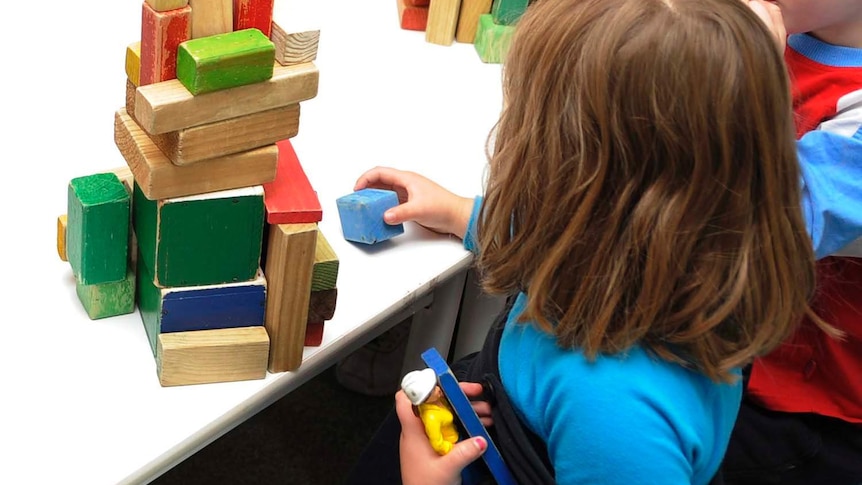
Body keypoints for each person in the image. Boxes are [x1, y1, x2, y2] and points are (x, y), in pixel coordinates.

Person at [345, 0, 827, 483]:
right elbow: (556, 240)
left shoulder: (618, 420)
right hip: (498, 418)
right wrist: (457, 212)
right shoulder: (655, 261)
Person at [720, 1, 862, 484]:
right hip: (723, 349)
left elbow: (761, 227)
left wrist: (745, 66)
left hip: (808, 409)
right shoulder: (782, 32)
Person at [400, 368, 460, 456]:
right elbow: (438, 445)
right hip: (454, 441)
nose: (438, 389)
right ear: (425, 398)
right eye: (432, 391)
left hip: (456, 429)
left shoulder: (437, 401)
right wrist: (452, 449)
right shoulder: (431, 418)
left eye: (434, 386)